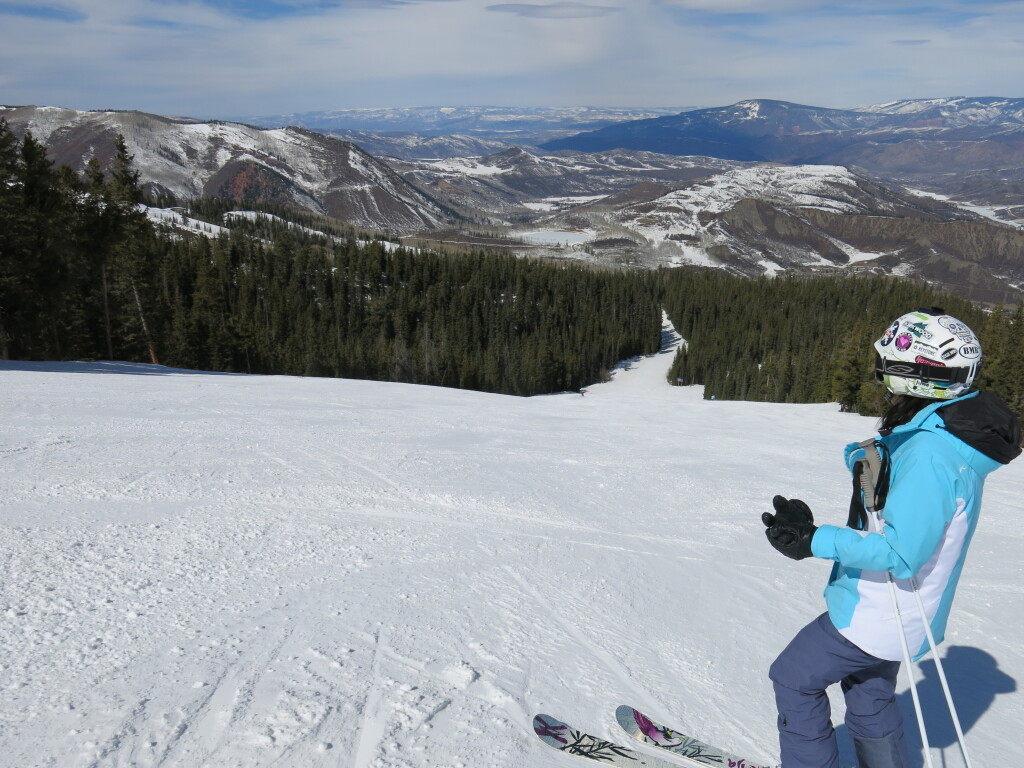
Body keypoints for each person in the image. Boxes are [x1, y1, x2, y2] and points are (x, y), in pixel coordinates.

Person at [761, 307, 1021, 768]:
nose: (882, 374)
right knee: (869, 696)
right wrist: (861, 463)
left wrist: (814, 540)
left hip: (877, 610)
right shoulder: (947, 434)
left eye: (888, 365)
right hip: (905, 612)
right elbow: (898, 485)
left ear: (915, 374)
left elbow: (899, 552)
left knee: (793, 678)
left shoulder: (932, 453)